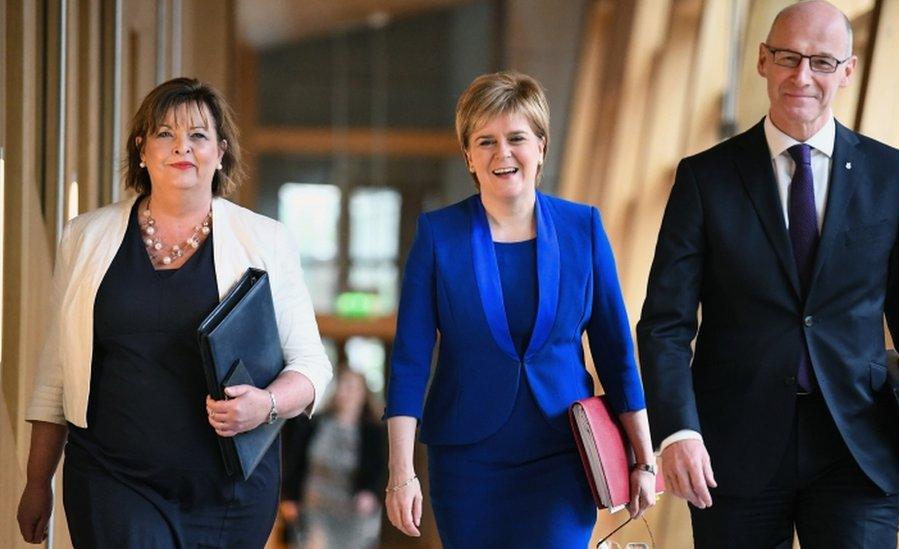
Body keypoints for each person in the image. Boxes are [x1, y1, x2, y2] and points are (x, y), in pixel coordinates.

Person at [636, 1, 899, 547]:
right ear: (763, 61)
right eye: (788, 57)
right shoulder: (705, 179)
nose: (802, 76)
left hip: (857, 445)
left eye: (822, 62)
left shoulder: (893, 175)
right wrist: (678, 429)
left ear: (848, 71)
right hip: (732, 449)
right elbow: (665, 325)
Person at [16, 77, 332, 548]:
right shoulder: (85, 237)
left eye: (198, 135)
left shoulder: (264, 240)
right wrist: (37, 481)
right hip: (114, 478)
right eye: (165, 133)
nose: (182, 147)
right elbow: (57, 371)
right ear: (142, 149)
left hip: (229, 490)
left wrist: (263, 406)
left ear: (220, 152)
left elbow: (310, 366)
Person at [383, 71, 656, 548]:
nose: (502, 153)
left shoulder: (583, 229)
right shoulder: (438, 236)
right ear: (468, 155)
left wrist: (643, 459)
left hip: (563, 456)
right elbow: (409, 361)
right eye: (485, 141)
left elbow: (616, 352)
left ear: (541, 147)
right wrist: (401, 472)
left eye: (516, 138)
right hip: (467, 465)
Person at [281, 368, 386, 549]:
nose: (346, 392)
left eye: (352, 387)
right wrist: (290, 496)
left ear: (363, 394)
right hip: (315, 505)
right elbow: (295, 460)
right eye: (343, 386)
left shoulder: (372, 431)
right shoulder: (314, 423)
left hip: (352, 510)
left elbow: (379, 467)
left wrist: (369, 492)